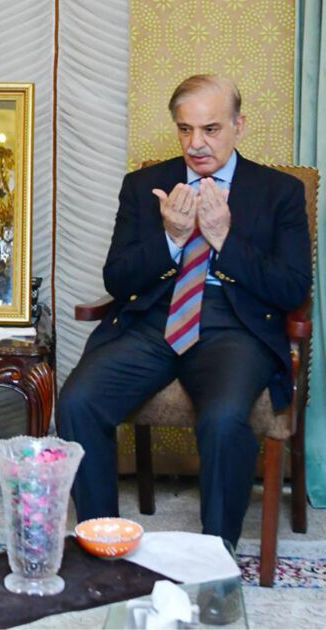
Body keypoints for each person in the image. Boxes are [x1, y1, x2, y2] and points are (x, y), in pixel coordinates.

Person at [56, 75, 312, 548]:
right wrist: (171, 239)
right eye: (185, 129)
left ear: (239, 125)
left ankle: (216, 553)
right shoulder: (143, 186)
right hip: (154, 320)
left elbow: (292, 287)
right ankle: (100, 540)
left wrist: (224, 240)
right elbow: (118, 279)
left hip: (235, 328)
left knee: (224, 418)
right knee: (78, 401)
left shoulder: (280, 192)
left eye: (210, 129)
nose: (196, 144)